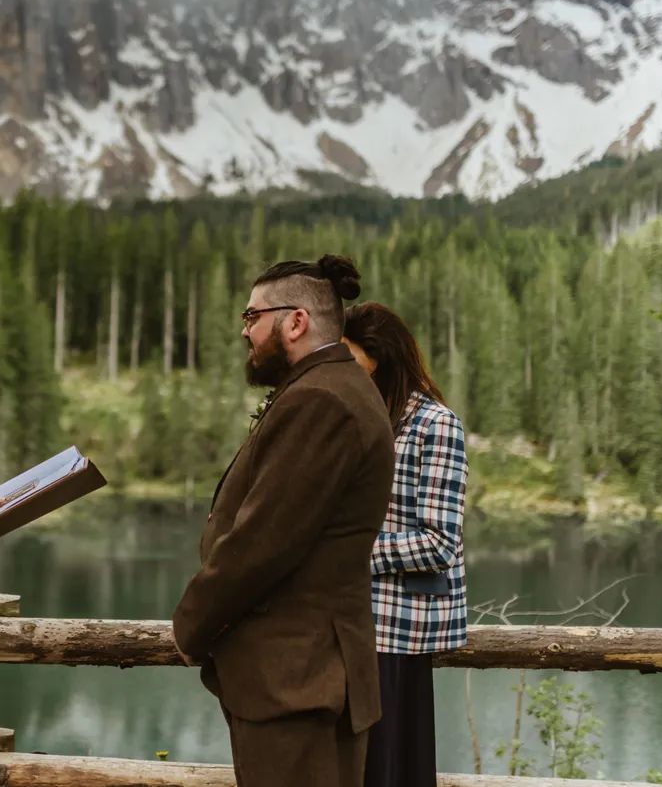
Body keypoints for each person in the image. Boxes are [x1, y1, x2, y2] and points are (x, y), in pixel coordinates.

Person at [172, 255, 396, 787]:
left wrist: (191, 625)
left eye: (252, 317)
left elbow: (262, 541)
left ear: (295, 321)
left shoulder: (323, 401)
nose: (244, 331)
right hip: (303, 679)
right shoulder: (330, 387)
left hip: (299, 681)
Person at [342, 302, 469, 787]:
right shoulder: (363, 419)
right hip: (352, 628)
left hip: (397, 635)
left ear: (382, 358)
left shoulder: (435, 426)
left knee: (388, 770)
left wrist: (345, 552)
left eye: (351, 360)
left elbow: (439, 543)